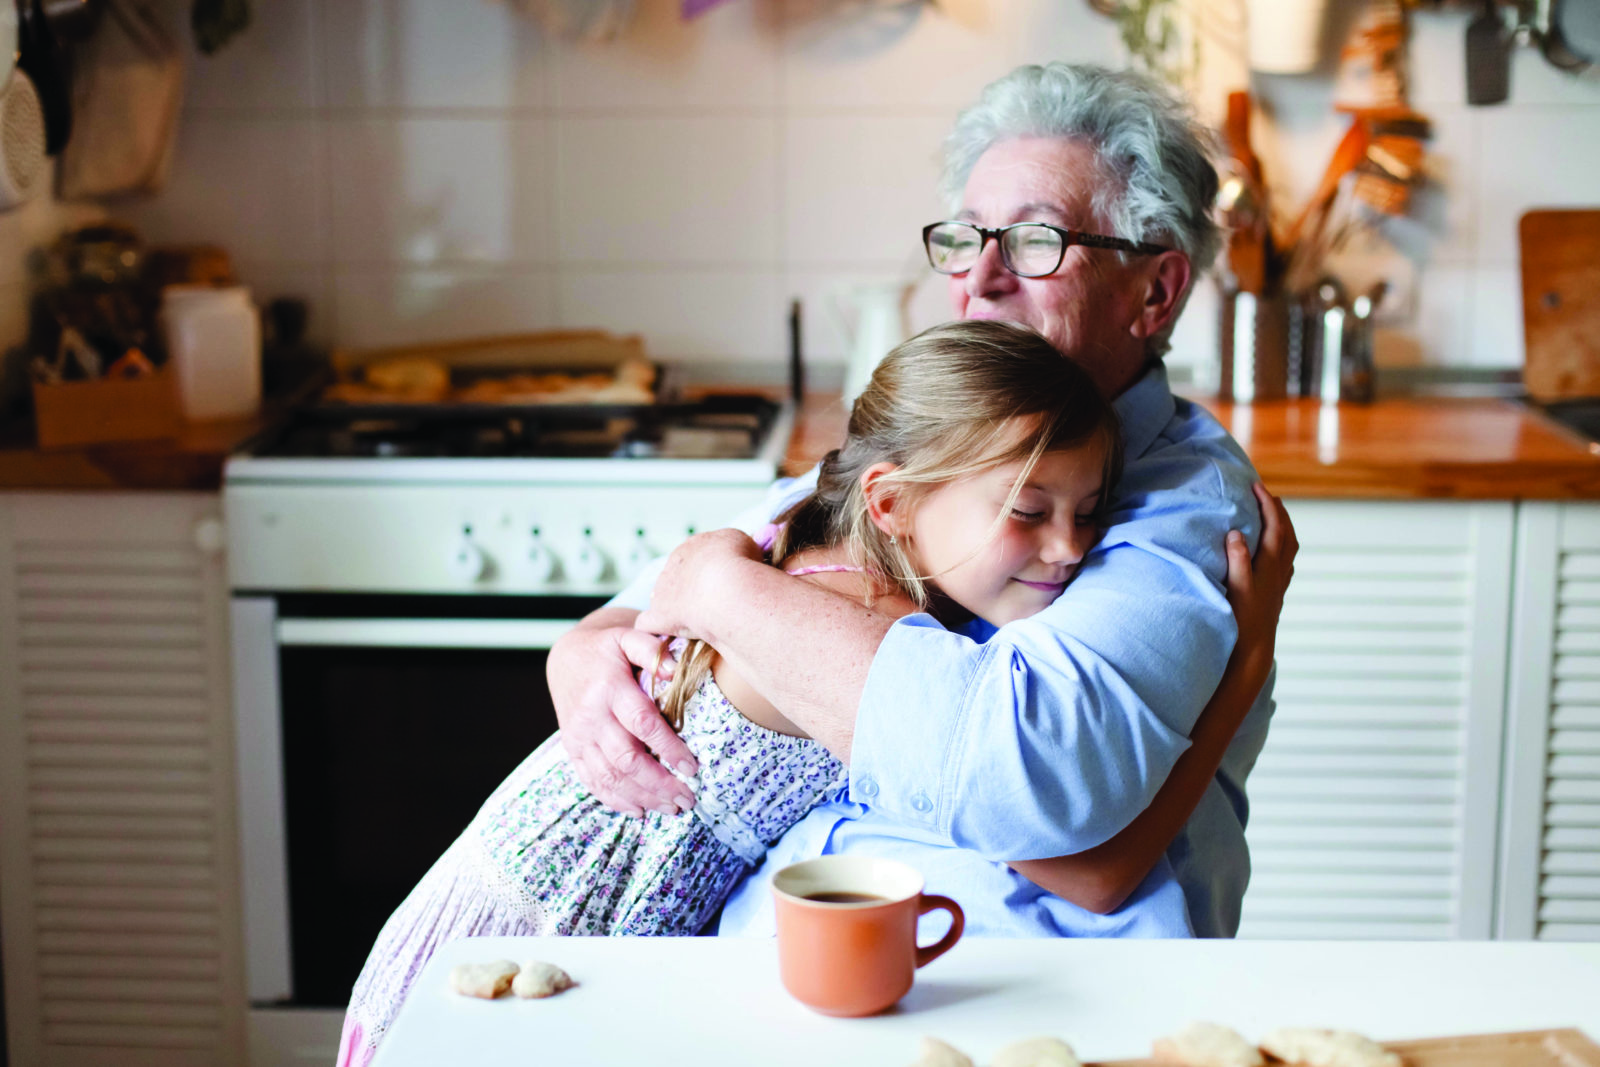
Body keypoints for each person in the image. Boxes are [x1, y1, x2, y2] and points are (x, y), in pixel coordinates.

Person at [336, 321, 1290, 1065]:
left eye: (1090, 512)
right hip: (539, 921)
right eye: (1028, 511)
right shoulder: (856, 619)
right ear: (889, 502)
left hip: (576, 913)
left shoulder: (842, 551)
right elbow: (1089, 870)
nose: (1070, 549)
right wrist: (1243, 667)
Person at [548, 62, 1281, 939]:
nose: (981, 278)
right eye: (966, 239)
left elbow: (1033, 782)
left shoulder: (1187, 506)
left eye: (1036, 240)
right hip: (785, 965)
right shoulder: (942, 441)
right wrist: (580, 655)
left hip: (1023, 987)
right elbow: (644, 610)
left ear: (1154, 293)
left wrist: (722, 590)